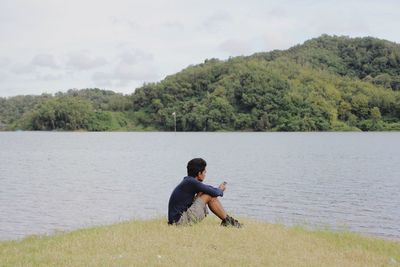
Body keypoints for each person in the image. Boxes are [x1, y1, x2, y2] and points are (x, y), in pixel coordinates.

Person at [168, 158, 241, 227]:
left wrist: (217, 190)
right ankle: (228, 222)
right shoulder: (191, 182)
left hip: (177, 220)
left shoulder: (188, 181)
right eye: (204, 171)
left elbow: (207, 188)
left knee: (202, 192)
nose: (205, 174)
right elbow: (213, 192)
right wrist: (220, 190)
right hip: (179, 222)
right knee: (208, 196)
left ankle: (228, 221)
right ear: (199, 173)